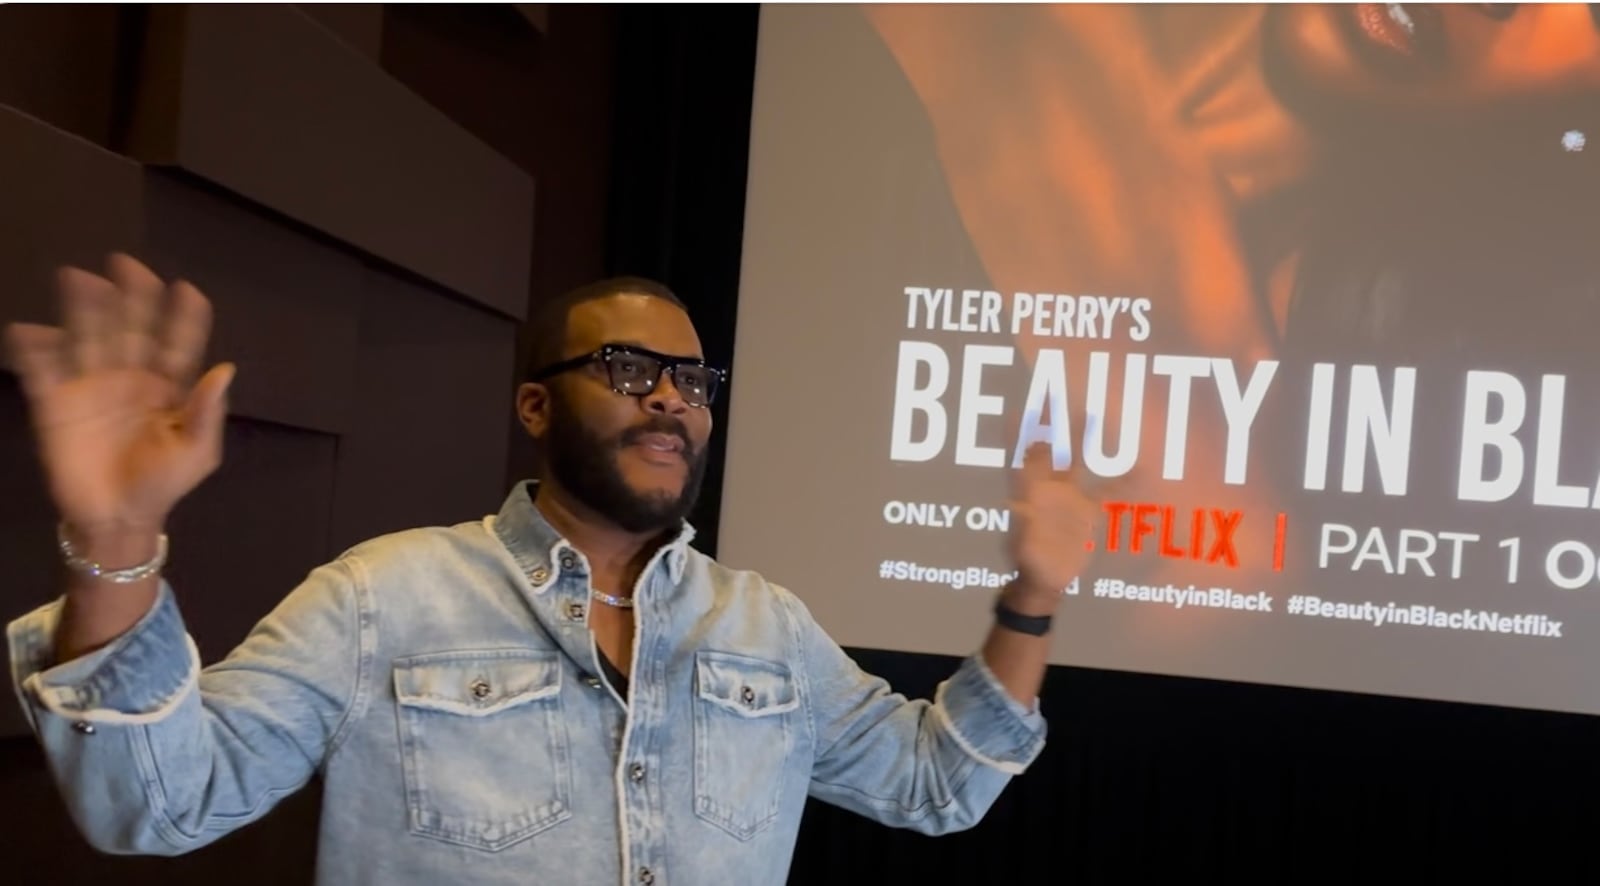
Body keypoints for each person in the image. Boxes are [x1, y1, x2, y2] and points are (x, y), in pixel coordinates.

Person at [4, 255, 1097, 885]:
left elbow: (935, 785)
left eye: (691, 377)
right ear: (535, 404)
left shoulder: (767, 625)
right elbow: (157, 803)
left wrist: (1032, 600)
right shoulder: (382, 597)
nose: (670, 396)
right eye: (629, 369)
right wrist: (119, 537)